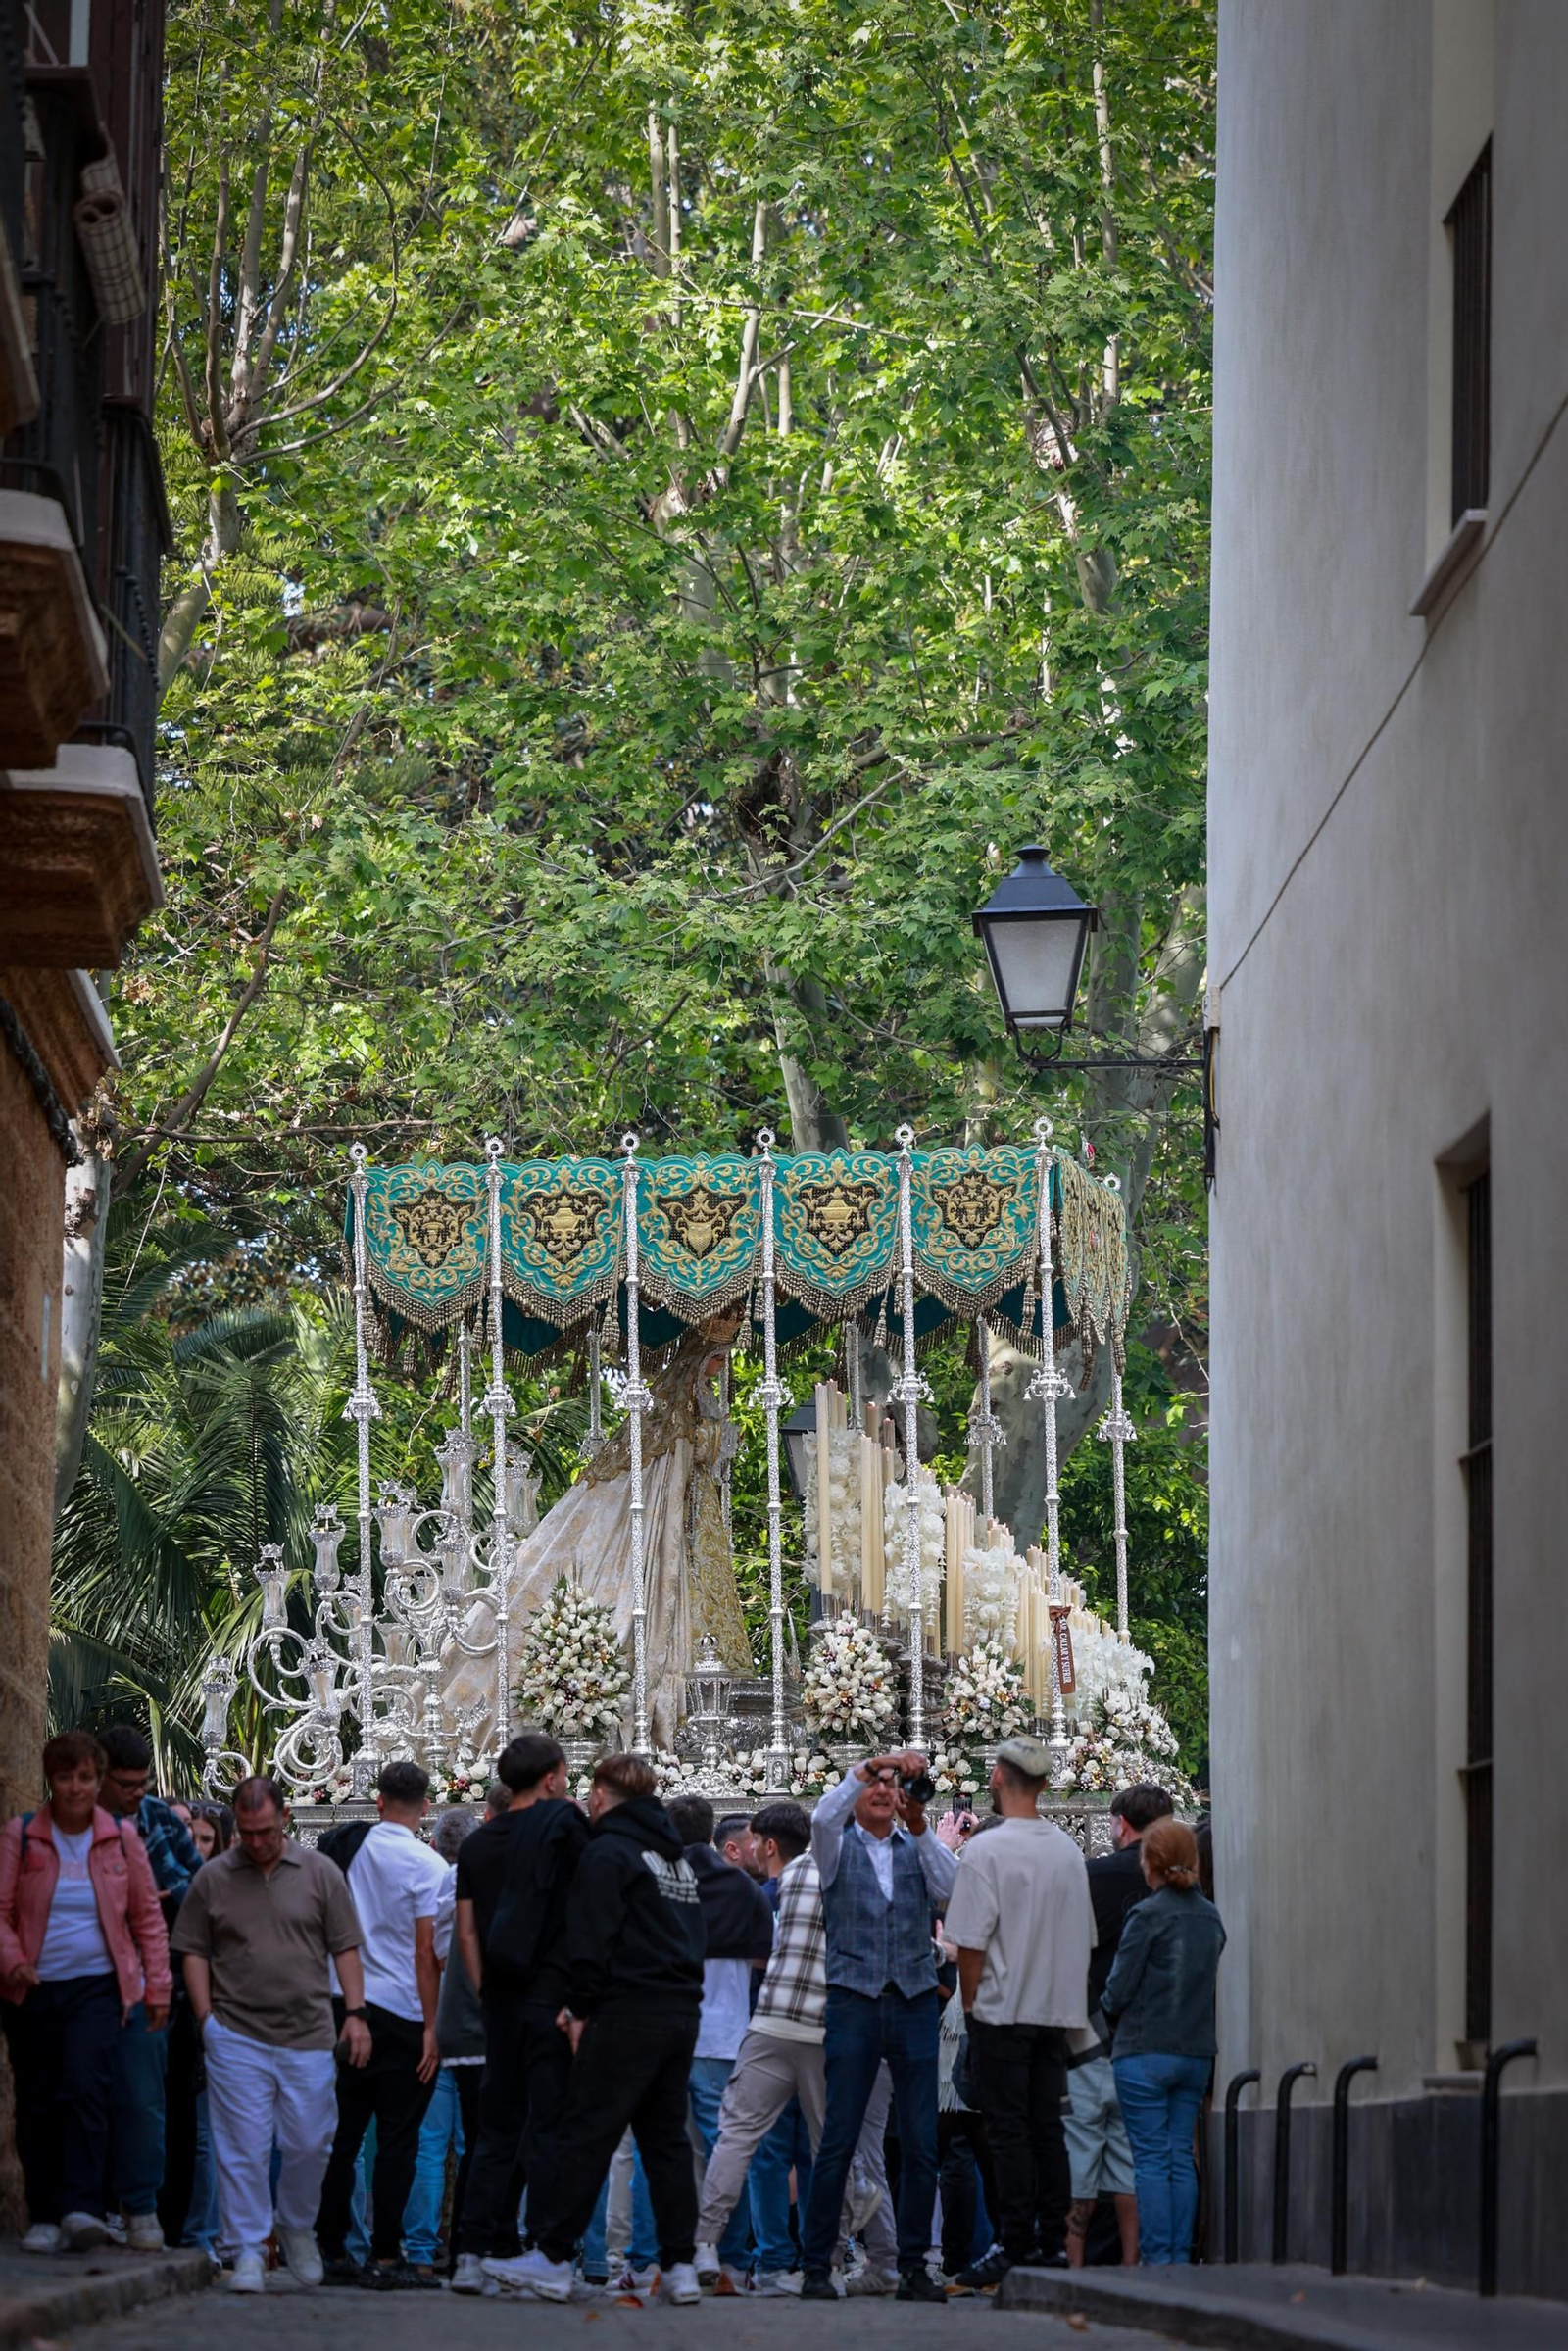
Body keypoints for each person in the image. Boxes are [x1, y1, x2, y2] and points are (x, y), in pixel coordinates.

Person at [482, 1755, 706, 2306]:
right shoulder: (671, 1858)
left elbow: (592, 1937)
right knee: (666, 2144)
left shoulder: (608, 1853)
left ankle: (554, 2257)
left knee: (586, 2133)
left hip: (626, 2010)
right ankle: (679, 2266)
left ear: (603, 1793)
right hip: (679, 2011)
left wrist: (579, 2008)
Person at [171, 1775, 369, 2295]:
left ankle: (296, 2224)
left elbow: (345, 1946)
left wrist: (355, 2013)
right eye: (247, 1832)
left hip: (307, 2034)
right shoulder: (213, 1878)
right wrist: (206, 2018)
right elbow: (192, 1949)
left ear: (283, 1818)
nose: (255, 1842)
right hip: (235, 2032)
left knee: (311, 2142)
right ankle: (249, 2251)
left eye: (264, 1831)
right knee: (242, 2147)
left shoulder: (320, 1873)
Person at [0, 1731, 172, 2253]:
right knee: (38, 2099)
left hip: (100, 1986)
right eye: (65, 1777)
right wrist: (14, 1962)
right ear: (51, 1781)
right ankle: (46, 2214)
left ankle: (82, 2208)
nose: (75, 1787)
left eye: (84, 1777)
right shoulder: (23, 1835)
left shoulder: (120, 1837)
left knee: (84, 2088)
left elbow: (147, 1918)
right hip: (33, 1988)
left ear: (97, 1783)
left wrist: (157, 1987)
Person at [797, 1749, 956, 2305]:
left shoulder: (916, 1846)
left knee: (920, 2141)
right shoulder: (836, 1846)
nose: (885, 1790)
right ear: (858, 1791)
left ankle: (913, 2266)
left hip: (912, 2001)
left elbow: (952, 1888)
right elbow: (821, 1817)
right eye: (875, 1785)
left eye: (893, 1785)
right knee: (839, 2137)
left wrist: (922, 1827)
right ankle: (818, 2264)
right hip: (855, 2002)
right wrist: (870, 1765)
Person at [942, 1734, 1093, 2291]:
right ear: (1047, 1784)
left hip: (1001, 2009)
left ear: (998, 1779)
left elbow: (970, 1943)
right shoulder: (1066, 1850)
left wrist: (975, 2004)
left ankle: (1014, 2240)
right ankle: (1051, 2242)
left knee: (1006, 2131)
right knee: (1047, 2127)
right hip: (1054, 2009)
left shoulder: (986, 1850)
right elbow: (1084, 1937)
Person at [451, 1733, 589, 2292]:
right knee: (550, 2127)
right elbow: (587, 1913)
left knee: (495, 2129)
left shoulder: (478, 1845)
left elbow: (465, 1931)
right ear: (553, 1776)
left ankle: (471, 2251)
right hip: (553, 1999)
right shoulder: (564, 1830)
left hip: (501, 2000)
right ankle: (549, 2253)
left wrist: (488, 1994)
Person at [315, 1760, 451, 2288]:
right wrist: (432, 2028)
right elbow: (425, 1952)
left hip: (343, 2003)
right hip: (401, 2011)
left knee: (343, 2136)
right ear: (425, 1807)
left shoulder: (348, 1850)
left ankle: (332, 2250)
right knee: (398, 2140)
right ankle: (387, 2256)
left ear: (378, 1801)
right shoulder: (427, 1864)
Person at [1101, 1818, 1226, 2269]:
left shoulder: (1147, 1915)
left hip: (1143, 2049)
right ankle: (1179, 2256)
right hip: (1194, 2051)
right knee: (1178, 2154)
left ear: (1150, 1864)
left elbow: (1117, 1989)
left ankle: (1159, 2259)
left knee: (1150, 2159)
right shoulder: (1210, 1916)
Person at [98, 1724, 203, 2252]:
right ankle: (84, 2207)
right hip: (87, 1976)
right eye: (126, 1783)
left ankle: (143, 2209)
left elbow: (199, 1885)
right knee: (82, 2095)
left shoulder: (158, 1819)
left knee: (146, 2100)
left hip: (149, 1976)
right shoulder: (72, 1829)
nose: (137, 1792)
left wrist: (168, 1893)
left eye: (142, 1783)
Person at [664, 1793, 773, 2289]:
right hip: (725, 2032)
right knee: (728, 2147)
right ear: (712, 1832)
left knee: (662, 2147)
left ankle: (657, 2260)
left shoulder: (658, 1879)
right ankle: (731, 2259)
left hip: (667, 2030)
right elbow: (762, 1960)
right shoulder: (741, 1887)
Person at [1066, 1782, 1175, 2267]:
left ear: (1121, 1824)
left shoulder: (1092, 1876)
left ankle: (1072, 2265)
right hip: (1155, 2038)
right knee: (1133, 2163)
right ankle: (1135, 2263)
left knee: (1080, 2164)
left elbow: (1067, 1949)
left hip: (1090, 2037)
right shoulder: (1180, 1884)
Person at [402, 1805, 482, 2281]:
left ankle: (419, 2247)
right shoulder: (482, 1885)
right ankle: (474, 2243)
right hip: (473, 2022)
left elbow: (424, 1954)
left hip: (432, 2019)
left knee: (429, 2144)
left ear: (434, 1844)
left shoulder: (432, 1885)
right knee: (476, 2142)